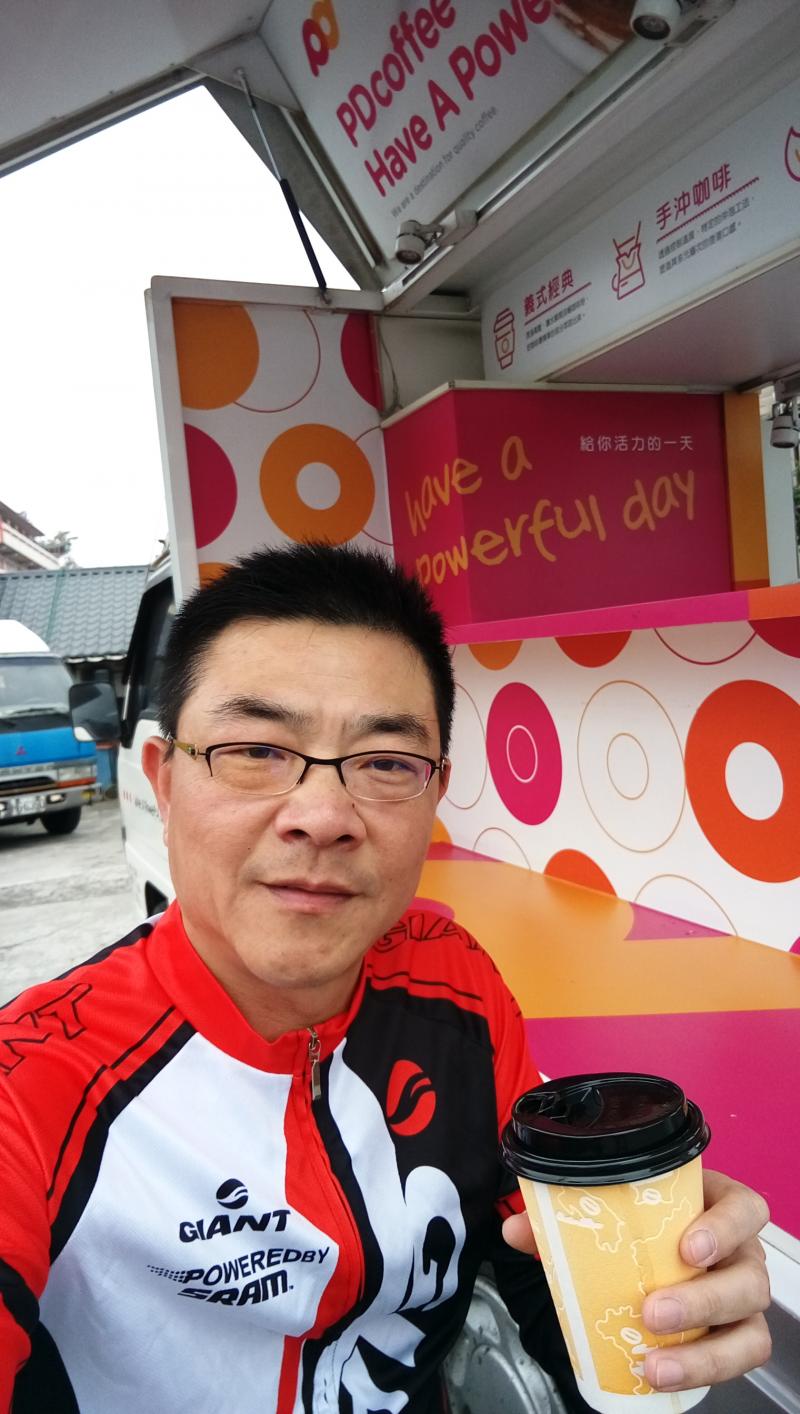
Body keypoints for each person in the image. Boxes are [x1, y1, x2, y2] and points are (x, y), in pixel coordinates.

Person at [0, 543, 771, 1413]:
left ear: (436, 794)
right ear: (164, 782)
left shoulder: (454, 982)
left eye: (386, 763)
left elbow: (532, 1260)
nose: (323, 816)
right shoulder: (33, 1088)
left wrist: (654, 1309)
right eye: (256, 749)